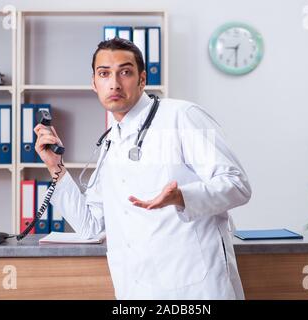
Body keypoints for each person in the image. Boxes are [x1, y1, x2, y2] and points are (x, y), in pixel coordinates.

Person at [34, 38, 252, 300]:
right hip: (135, 289)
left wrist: (183, 196)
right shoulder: (110, 142)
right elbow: (91, 227)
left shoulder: (182, 115)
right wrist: (54, 166)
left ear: (142, 79)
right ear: (94, 83)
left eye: (125, 72)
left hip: (196, 288)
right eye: (104, 74)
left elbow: (237, 184)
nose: (114, 83)